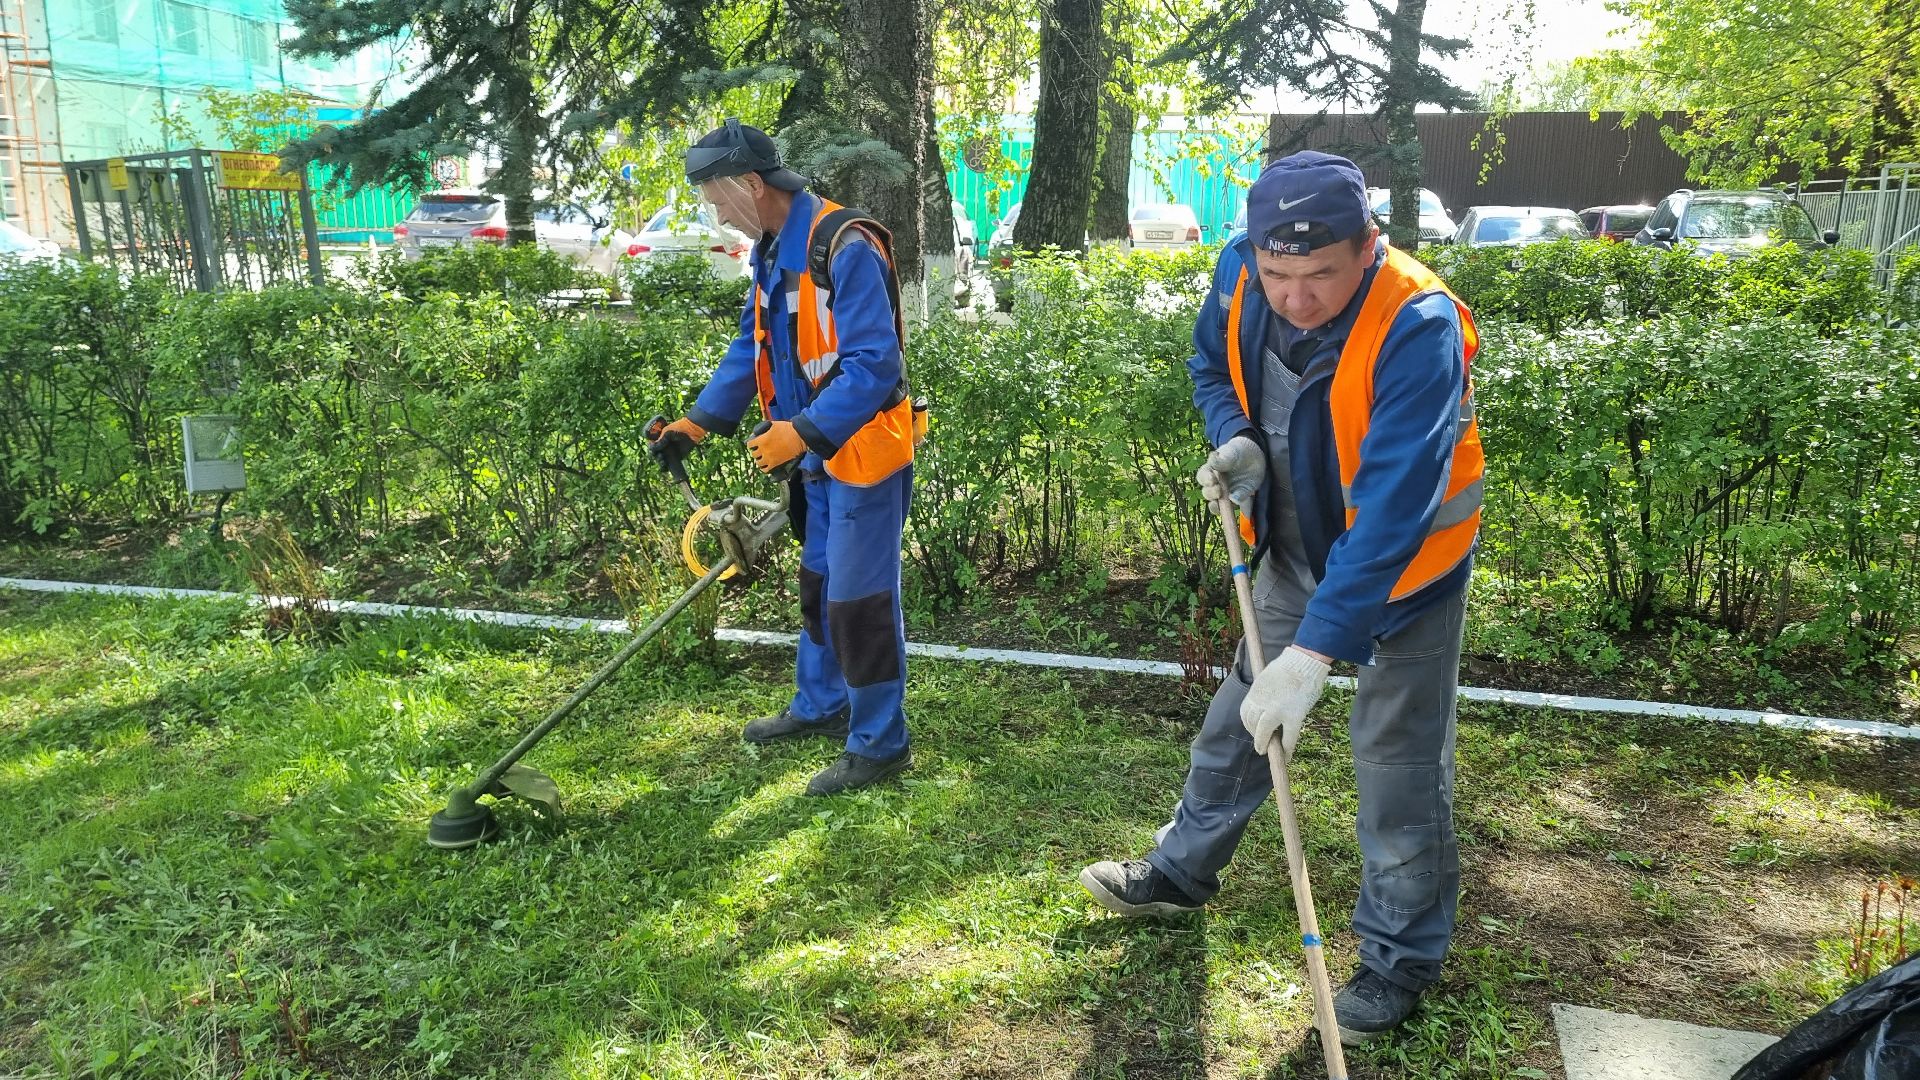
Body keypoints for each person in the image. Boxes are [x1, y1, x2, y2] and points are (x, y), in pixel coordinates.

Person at [1077, 151, 1484, 1044]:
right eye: (1278, 275)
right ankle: (1181, 875)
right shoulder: (1237, 269)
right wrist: (1236, 442)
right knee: (1238, 721)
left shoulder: (1417, 323)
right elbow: (1211, 368)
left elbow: (1396, 508)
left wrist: (1316, 652)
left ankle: (1398, 961)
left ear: (1368, 246)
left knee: (1397, 769)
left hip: (1405, 574)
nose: (1296, 297)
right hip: (1292, 554)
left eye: (1320, 276)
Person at [652, 119, 918, 795]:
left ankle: (881, 743)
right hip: (819, 461)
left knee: (860, 599)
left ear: (748, 184)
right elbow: (754, 346)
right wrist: (699, 422)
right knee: (821, 586)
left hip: (865, 454)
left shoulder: (845, 245)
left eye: (717, 200)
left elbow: (874, 364)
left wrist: (799, 432)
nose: (718, 214)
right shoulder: (772, 252)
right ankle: (821, 706)